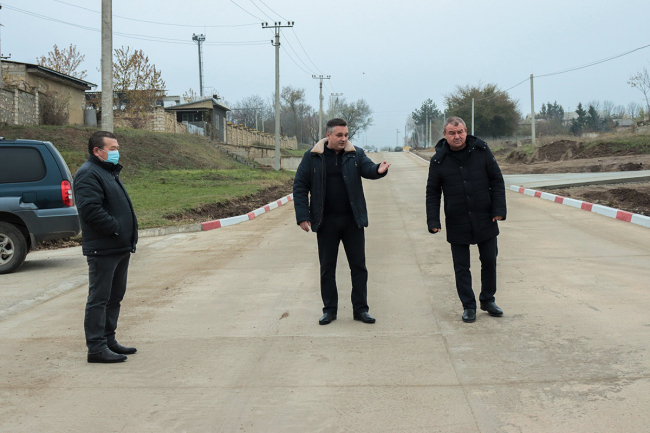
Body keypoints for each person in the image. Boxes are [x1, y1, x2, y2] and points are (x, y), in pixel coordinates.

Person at [293, 118, 391, 325]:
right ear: (328, 135)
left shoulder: (356, 154)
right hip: (326, 221)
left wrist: (378, 170)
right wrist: (303, 216)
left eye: (346, 135)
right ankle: (329, 310)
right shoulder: (313, 156)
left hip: (352, 220)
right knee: (327, 268)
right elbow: (300, 185)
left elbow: (368, 169)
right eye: (339, 135)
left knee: (359, 267)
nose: (344, 139)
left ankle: (361, 310)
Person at [426, 117, 507, 323]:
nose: (457, 136)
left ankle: (488, 300)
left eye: (460, 132)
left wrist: (498, 209)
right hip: (457, 219)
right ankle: (468, 306)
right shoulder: (438, 160)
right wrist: (433, 221)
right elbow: (433, 192)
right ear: (445, 135)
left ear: (466, 131)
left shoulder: (481, 151)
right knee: (461, 267)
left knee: (489, 260)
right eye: (452, 133)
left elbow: (497, 180)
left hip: (485, 216)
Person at [74, 131, 138, 363]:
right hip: (104, 247)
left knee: (114, 297)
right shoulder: (88, 173)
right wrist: (116, 229)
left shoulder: (107, 171)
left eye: (117, 148)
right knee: (99, 298)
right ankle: (96, 348)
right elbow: (90, 210)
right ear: (97, 151)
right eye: (112, 149)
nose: (116, 152)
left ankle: (109, 340)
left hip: (118, 246)